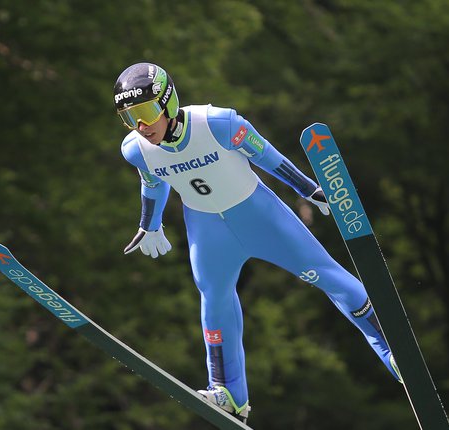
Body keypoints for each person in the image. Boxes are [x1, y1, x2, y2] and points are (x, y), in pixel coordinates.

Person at [115, 62, 400, 422]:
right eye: (129, 117)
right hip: (207, 229)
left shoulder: (218, 123)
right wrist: (150, 225)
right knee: (214, 299)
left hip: (259, 217)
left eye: (144, 112)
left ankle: (392, 351)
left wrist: (308, 188)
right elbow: (152, 182)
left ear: (168, 103)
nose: (140, 125)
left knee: (327, 276)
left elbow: (266, 155)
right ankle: (228, 393)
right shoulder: (136, 149)